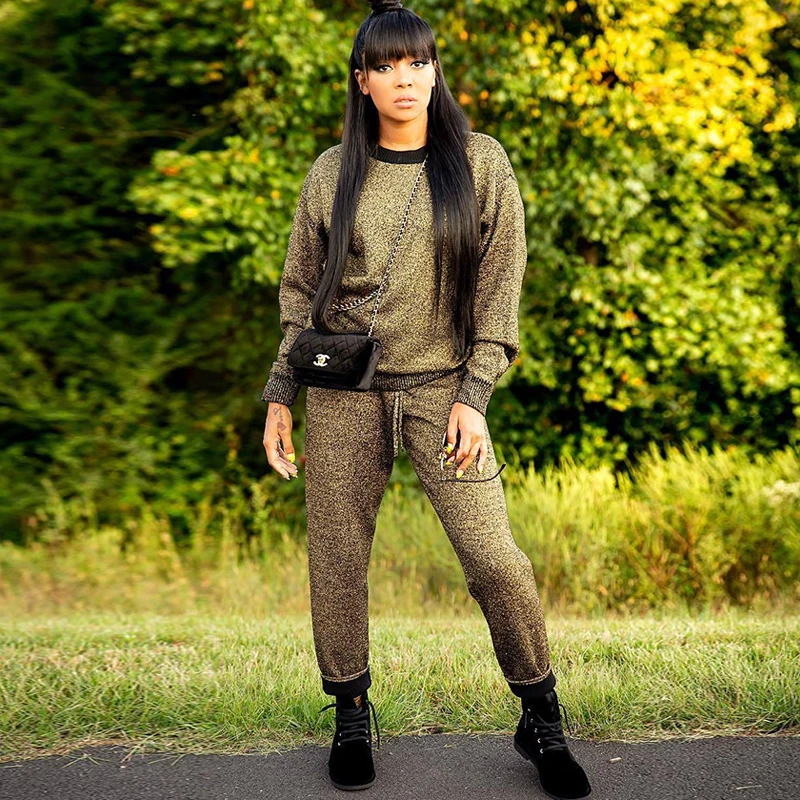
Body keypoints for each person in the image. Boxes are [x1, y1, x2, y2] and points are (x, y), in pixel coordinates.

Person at [261, 2, 592, 797]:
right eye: (385, 66)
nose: (404, 79)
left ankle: (540, 713)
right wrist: (279, 393)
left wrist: (475, 393)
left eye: (418, 62)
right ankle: (351, 712)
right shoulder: (330, 172)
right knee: (337, 557)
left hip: (444, 391)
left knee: (495, 559)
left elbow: (501, 287)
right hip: (342, 394)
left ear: (436, 70)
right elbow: (299, 292)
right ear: (362, 81)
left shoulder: (480, 163)